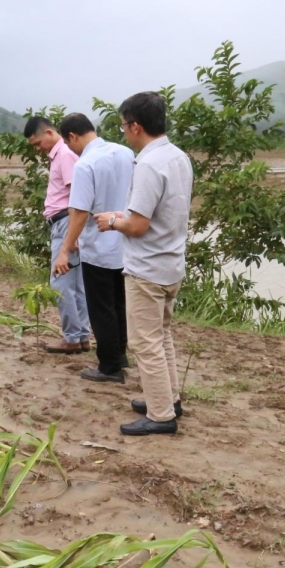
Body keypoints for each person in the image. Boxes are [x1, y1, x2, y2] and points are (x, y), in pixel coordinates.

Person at [95, 92, 193, 436]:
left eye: (123, 126)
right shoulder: (178, 157)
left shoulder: (149, 164)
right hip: (170, 263)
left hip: (147, 268)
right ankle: (167, 399)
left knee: (145, 342)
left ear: (135, 126)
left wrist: (112, 221)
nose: (124, 132)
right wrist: (123, 216)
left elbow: (137, 225)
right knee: (161, 336)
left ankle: (162, 415)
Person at [54, 113, 134, 383]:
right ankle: (120, 354)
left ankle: (110, 366)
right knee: (119, 303)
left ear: (72, 137)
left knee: (101, 308)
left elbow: (78, 211)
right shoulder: (125, 152)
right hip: (125, 240)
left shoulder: (85, 163)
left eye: (69, 143)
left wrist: (66, 247)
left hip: (99, 246)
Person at [24, 116, 91, 353]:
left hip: (65, 223)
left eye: (37, 143)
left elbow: (78, 197)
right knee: (76, 284)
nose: (38, 149)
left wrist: (70, 239)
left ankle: (72, 337)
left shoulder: (64, 156)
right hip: (66, 223)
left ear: (50, 133)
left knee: (60, 282)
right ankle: (81, 336)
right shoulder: (63, 156)